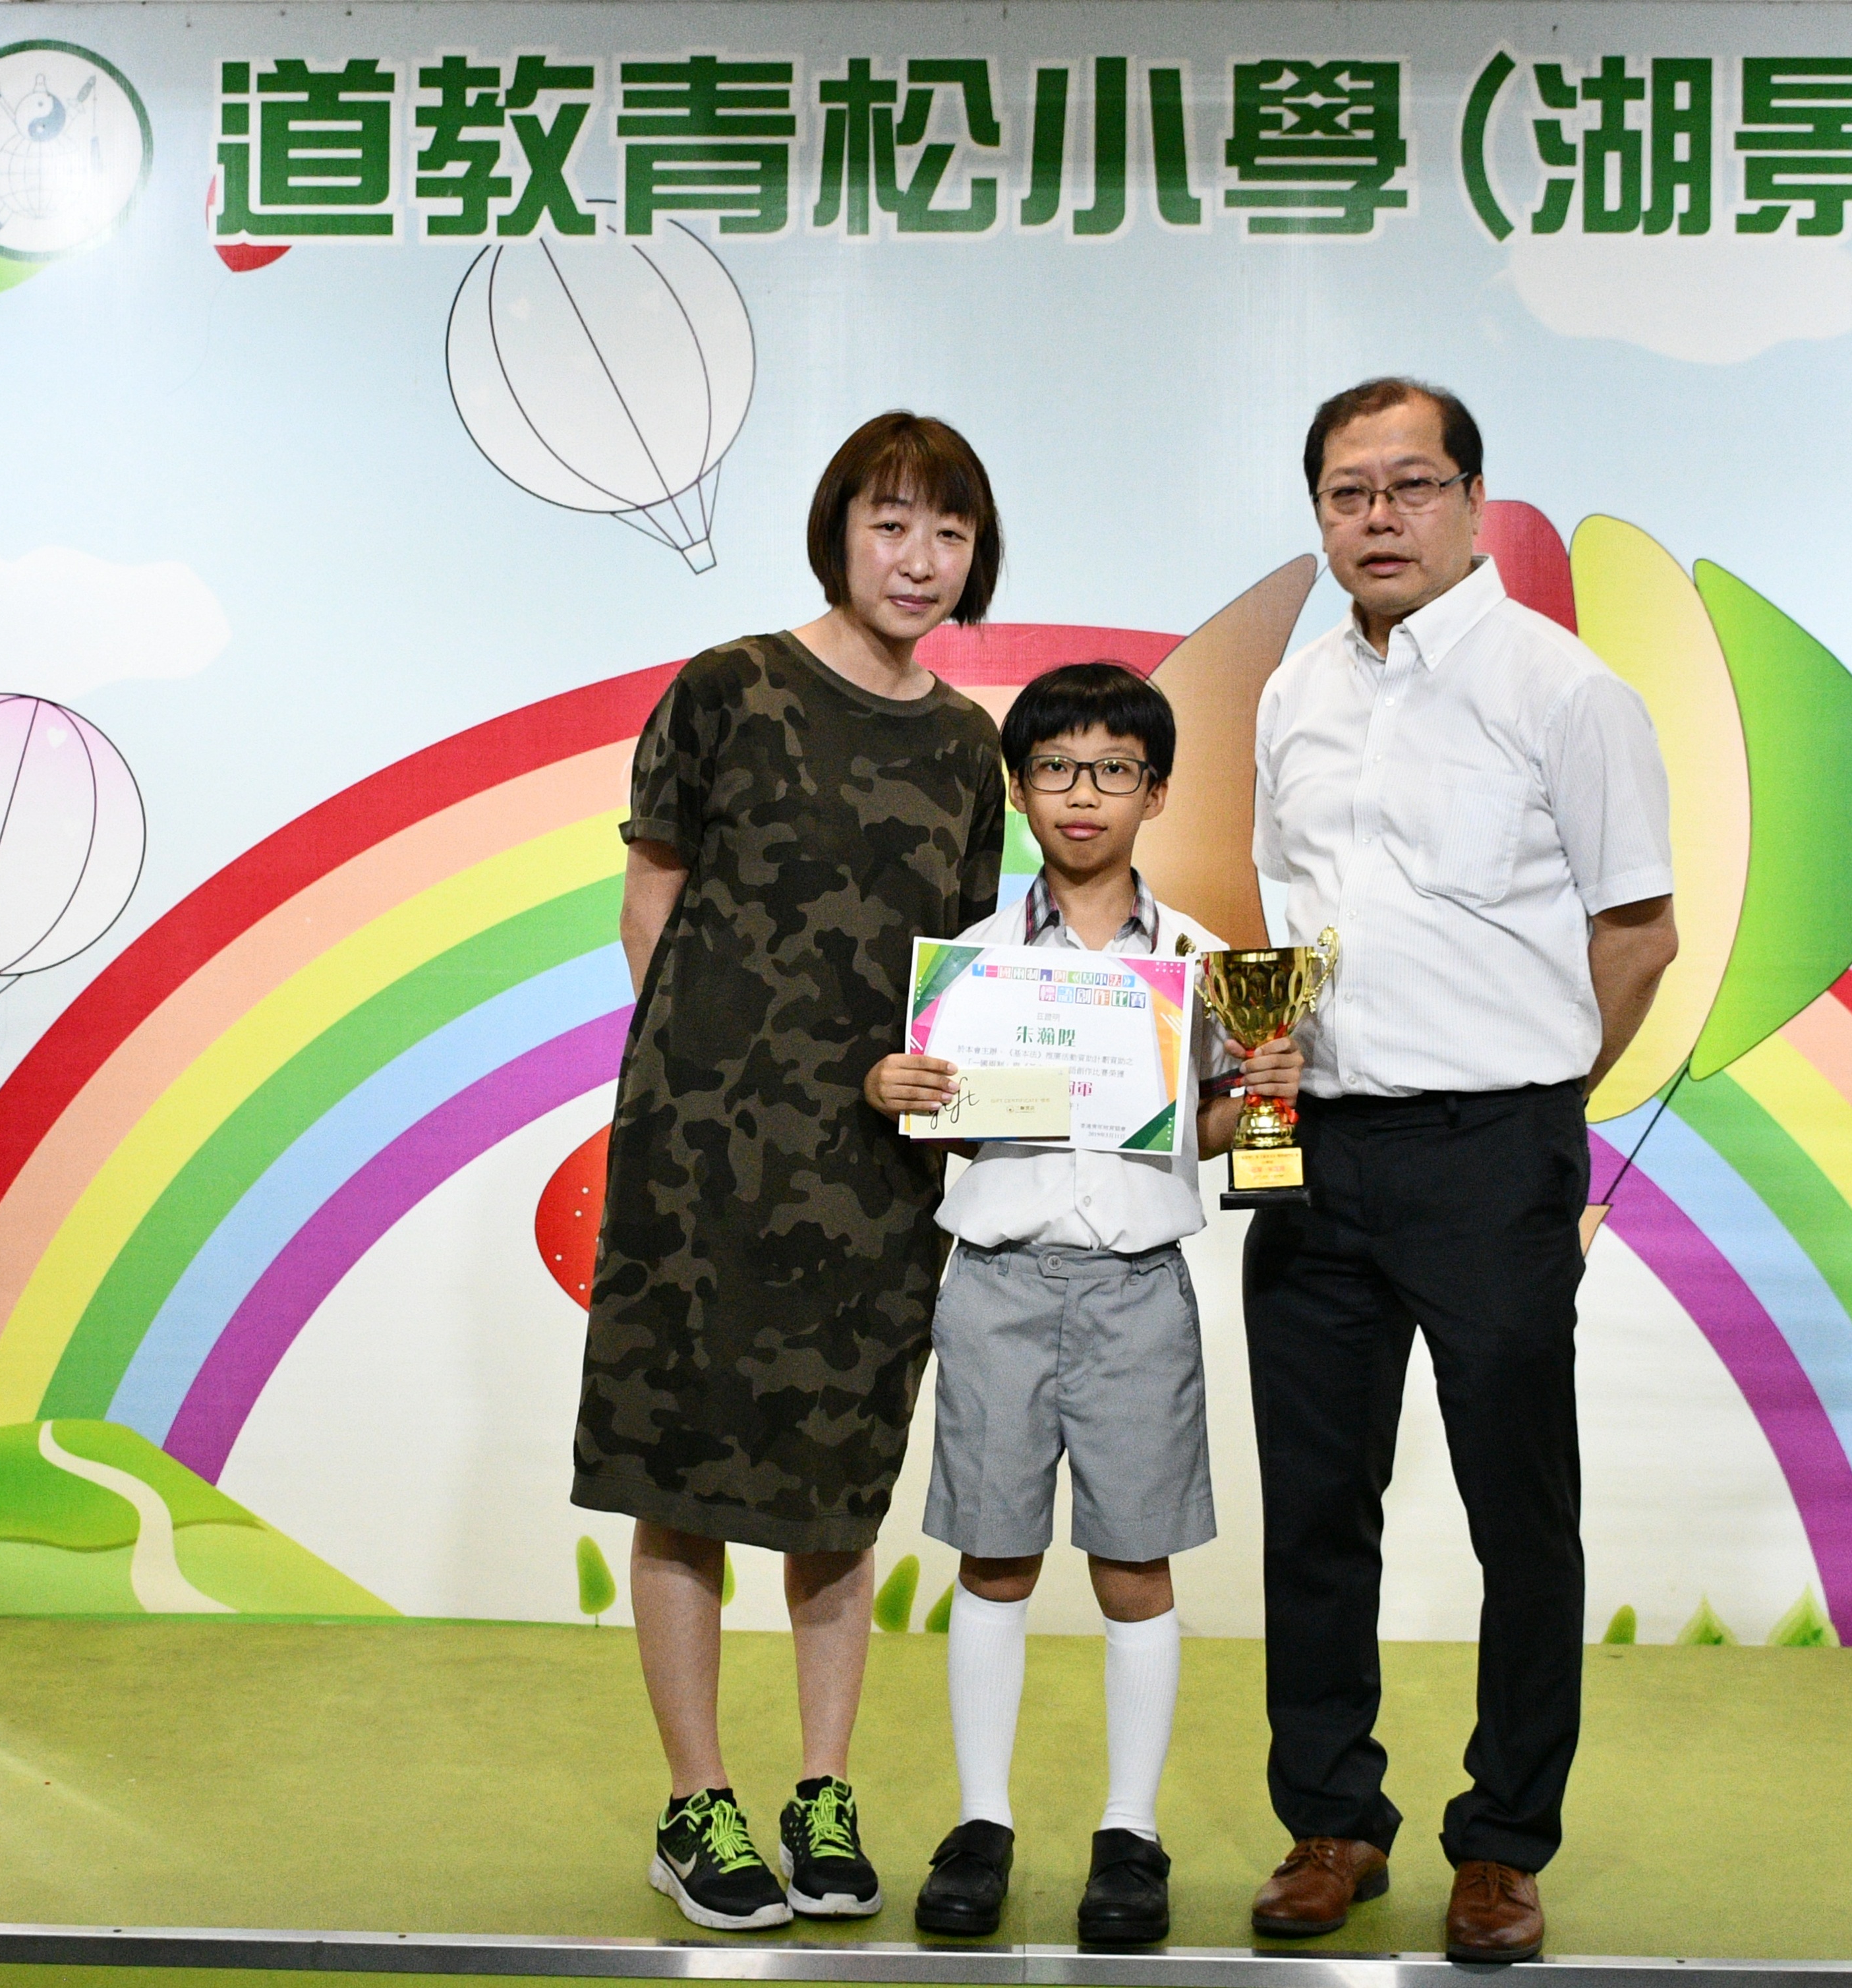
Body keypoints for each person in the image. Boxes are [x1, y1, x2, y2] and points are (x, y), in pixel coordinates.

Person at [1242, 378, 1677, 1963]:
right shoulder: (1292, 693)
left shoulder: (1565, 690)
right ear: (1319, 514)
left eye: (1412, 484)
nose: (1380, 517)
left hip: (1494, 1148)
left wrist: (1542, 1101)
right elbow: (1282, 922)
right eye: (1347, 491)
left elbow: (1640, 932)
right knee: (1313, 1508)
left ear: (1473, 502)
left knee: (1520, 1509)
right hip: (1311, 1148)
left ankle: (1502, 1839)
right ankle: (1330, 1820)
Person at [573, 412, 1009, 1933]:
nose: (918, 557)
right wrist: (695, 1096)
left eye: (948, 531)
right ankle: (695, 1801)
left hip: (876, 1168)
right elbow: (652, 898)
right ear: (837, 530)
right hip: (701, 1158)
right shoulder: (730, 687)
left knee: (837, 1483)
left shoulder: (966, 747)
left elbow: (956, 967)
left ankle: (823, 1788)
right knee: (678, 1470)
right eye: (891, 522)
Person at [880, 664, 1302, 1947]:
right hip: (996, 1281)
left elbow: (1217, 1130)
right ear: (1019, 790)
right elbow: (954, 1123)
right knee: (992, 1555)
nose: (1083, 792)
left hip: (1136, 1289)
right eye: (1057, 768)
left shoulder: (1207, 963)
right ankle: (982, 1822)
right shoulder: (975, 961)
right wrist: (901, 1089)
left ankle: (1131, 1831)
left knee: (1134, 1563)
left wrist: (1264, 1089)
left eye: (1113, 768)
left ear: (1154, 791)